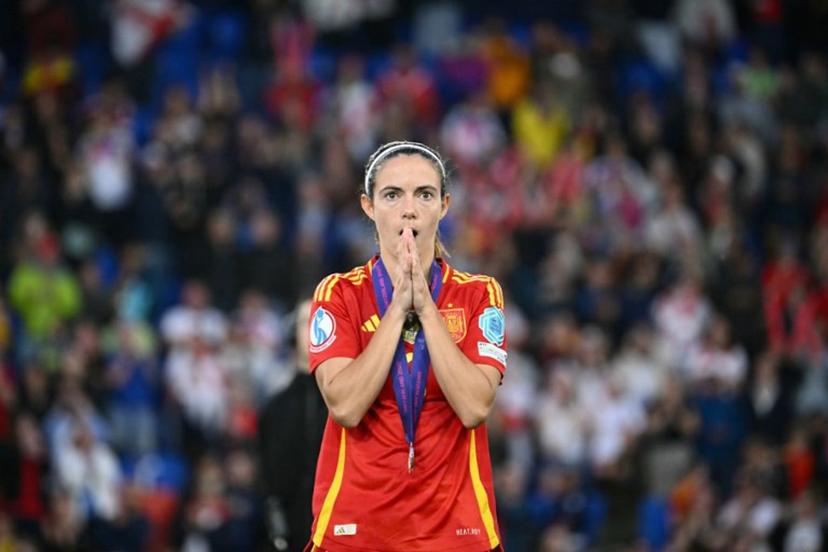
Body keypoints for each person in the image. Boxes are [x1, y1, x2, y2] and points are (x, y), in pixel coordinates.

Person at [305, 141, 508, 551]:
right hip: (356, 531)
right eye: (393, 195)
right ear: (368, 206)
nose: (409, 209)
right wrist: (398, 308)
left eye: (425, 195)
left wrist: (427, 309)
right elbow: (345, 406)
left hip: (456, 531)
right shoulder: (339, 294)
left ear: (444, 206)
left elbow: (474, 407)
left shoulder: (479, 295)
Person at [259, 299, 327, 552]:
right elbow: (269, 480)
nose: (316, 328)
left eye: (323, 318)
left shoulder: (354, 400)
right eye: (308, 321)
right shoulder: (275, 408)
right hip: (294, 529)